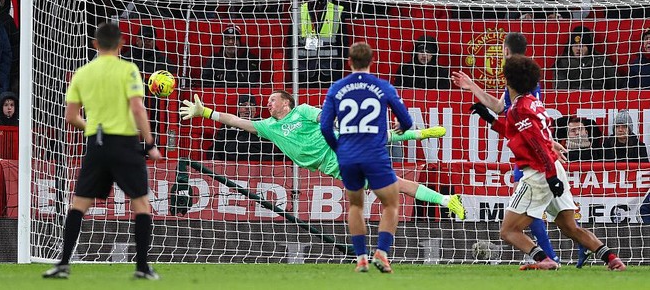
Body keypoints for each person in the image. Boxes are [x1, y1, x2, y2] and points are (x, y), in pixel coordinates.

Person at [180, 91, 467, 220]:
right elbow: (235, 121)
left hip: (340, 148)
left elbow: (325, 117)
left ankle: (414, 135)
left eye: (272, 100)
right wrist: (205, 112)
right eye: (266, 101)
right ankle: (444, 195)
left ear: (286, 102)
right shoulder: (268, 127)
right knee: (393, 184)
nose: (267, 103)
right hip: (336, 167)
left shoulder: (301, 110)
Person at [471, 54, 627, 271]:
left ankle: (544, 259)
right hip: (553, 168)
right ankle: (612, 258)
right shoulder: (531, 103)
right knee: (569, 226)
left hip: (539, 173)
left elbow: (538, 144)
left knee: (508, 231)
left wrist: (550, 176)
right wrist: (491, 120)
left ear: (507, 81)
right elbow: (521, 134)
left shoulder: (518, 109)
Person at [42, 22, 162, 280]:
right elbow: (138, 109)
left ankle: (62, 263)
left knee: (79, 204)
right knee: (140, 204)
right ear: (120, 44)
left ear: (95, 44)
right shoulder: (128, 69)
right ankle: (142, 267)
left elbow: (71, 116)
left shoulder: (82, 73)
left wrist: (94, 127)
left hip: (96, 144)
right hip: (125, 143)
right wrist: (150, 143)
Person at [451, 32, 570, 266]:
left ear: (505, 50)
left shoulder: (521, 79)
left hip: (532, 155)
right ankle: (551, 254)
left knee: (529, 209)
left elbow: (529, 119)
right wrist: (472, 87)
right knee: (542, 211)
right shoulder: (518, 75)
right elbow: (500, 107)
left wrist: (549, 143)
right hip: (529, 149)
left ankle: (548, 256)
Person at [319, 42, 410, 273]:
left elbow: (325, 127)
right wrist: (401, 125)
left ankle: (360, 258)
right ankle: (381, 252)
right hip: (374, 154)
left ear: (349, 62)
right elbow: (407, 121)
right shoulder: (383, 86)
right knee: (391, 203)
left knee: (356, 205)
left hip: (348, 155)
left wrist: (339, 148)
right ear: (372, 61)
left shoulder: (336, 88)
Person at [122, 24, 177, 139]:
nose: (147, 42)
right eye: (144, 39)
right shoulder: (126, 59)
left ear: (154, 41)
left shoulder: (164, 61)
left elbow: (173, 77)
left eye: (150, 39)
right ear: (137, 40)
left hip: (156, 109)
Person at [207, 94, 280, 162]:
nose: (248, 108)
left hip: (258, 166)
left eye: (252, 105)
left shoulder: (263, 125)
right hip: (230, 165)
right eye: (244, 105)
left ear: (256, 110)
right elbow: (216, 149)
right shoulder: (227, 125)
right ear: (238, 109)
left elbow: (271, 151)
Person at [553, 25, 617, 90]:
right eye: (575, 46)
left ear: (589, 47)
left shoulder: (601, 62)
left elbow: (616, 83)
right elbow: (560, 89)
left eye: (582, 46)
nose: (578, 49)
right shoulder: (563, 63)